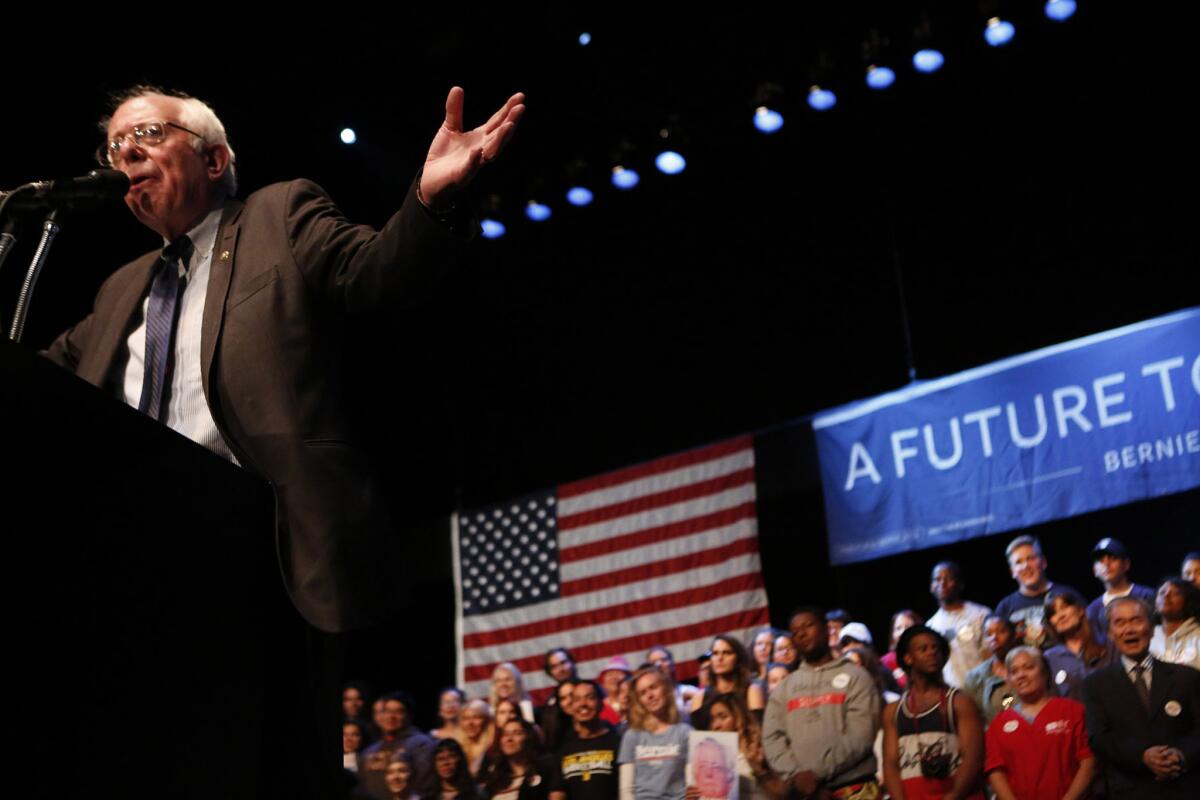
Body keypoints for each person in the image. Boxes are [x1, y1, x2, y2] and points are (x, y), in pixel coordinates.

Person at [45, 85, 523, 634]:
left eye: (148, 134)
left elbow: (377, 274)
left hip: (267, 545)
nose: (126, 152)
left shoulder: (277, 214)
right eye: (115, 146)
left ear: (214, 157)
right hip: (139, 559)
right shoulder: (117, 291)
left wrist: (430, 200)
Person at [1082, 596, 1200, 797]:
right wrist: (1142, 756)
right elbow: (1099, 737)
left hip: (1184, 787)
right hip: (1129, 790)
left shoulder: (1186, 677)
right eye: (1120, 623)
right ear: (1110, 633)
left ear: (1152, 628)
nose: (1129, 629)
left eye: (1137, 620)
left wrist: (1181, 755)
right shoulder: (1096, 684)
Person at [764, 606, 881, 799]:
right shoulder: (785, 688)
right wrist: (796, 776)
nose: (802, 634)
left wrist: (813, 776)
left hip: (854, 788)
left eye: (808, 625)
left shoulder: (856, 677)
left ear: (827, 630)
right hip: (804, 792)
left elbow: (862, 734)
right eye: (795, 632)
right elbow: (772, 738)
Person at [881, 626, 984, 800]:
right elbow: (890, 765)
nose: (932, 653)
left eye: (935, 648)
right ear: (908, 658)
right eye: (923, 649)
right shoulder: (893, 711)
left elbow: (973, 759)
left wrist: (952, 796)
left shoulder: (960, 702)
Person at [983, 647, 1095, 800]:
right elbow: (996, 772)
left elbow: (1088, 761)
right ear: (1008, 680)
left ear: (1045, 672)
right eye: (1014, 671)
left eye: (1029, 667)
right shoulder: (998, 725)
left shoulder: (1073, 711)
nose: (1021, 675)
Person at [618, 666, 693, 800]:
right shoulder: (632, 736)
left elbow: (692, 784)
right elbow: (626, 789)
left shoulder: (685, 732)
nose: (650, 696)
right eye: (643, 693)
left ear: (665, 689)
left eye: (653, 687)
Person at [994, 536, 1077, 648]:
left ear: (1043, 562)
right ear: (1012, 572)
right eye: (1018, 562)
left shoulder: (1067, 595)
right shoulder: (1005, 607)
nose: (1026, 566)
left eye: (1031, 558)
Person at [705, 692, 786, 800]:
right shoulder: (710, 757)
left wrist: (760, 771)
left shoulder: (759, 748)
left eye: (723, 717)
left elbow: (782, 795)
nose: (715, 725)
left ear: (739, 718)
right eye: (712, 719)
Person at [1041, 587, 1116, 701]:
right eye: (1053, 613)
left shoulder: (1107, 643)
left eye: (1064, 607)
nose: (1060, 616)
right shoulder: (1050, 658)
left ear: (1080, 610)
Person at [550, 680, 621, 800]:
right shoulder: (565, 749)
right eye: (577, 700)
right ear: (572, 707)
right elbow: (557, 792)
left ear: (601, 704)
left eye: (590, 698)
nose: (583, 704)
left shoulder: (617, 742)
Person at [361, 692, 438, 800]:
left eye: (398, 712)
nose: (391, 717)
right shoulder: (369, 751)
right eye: (387, 711)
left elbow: (426, 786)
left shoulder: (421, 744)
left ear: (409, 716)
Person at [926, 562, 991, 689]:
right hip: (953, 695)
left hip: (984, 688)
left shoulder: (980, 615)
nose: (942, 583)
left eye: (949, 578)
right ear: (931, 587)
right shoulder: (930, 626)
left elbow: (989, 654)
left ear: (960, 584)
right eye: (937, 579)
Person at [1085, 538, 1156, 645]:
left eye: (1113, 558)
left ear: (1126, 564)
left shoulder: (1146, 596)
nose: (1106, 564)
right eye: (1100, 560)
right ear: (1095, 570)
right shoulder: (1093, 610)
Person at [690, 635, 764, 730]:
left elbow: (756, 730)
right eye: (715, 653)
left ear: (738, 659)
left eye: (727, 653)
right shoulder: (699, 697)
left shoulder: (752, 691)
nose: (720, 658)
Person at [483, 717, 560, 800]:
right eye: (505, 734)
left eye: (516, 733)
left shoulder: (545, 769)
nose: (509, 739)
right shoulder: (495, 779)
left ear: (529, 737)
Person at [962, 615, 1018, 726]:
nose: (994, 638)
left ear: (1013, 635)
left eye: (1001, 632)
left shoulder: (1030, 666)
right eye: (988, 634)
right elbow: (974, 720)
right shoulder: (975, 677)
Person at [1150, 577, 1200, 670]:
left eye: (1175, 593)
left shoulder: (1197, 636)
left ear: (1188, 602)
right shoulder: (1147, 635)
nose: (1166, 595)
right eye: (1162, 592)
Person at [882, 611, 924, 692]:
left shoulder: (928, 656)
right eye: (898, 628)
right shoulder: (886, 662)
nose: (902, 632)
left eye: (907, 627)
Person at [460, 699, 496, 779]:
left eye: (476, 717)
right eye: (466, 718)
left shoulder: (493, 749)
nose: (470, 723)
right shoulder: (459, 749)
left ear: (486, 721)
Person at [599, 657, 634, 727]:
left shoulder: (636, 705)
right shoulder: (598, 708)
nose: (614, 677)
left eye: (618, 673)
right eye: (610, 674)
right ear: (603, 682)